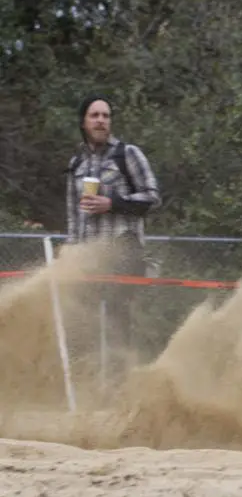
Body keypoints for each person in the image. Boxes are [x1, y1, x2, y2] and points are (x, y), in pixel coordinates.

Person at [65, 94, 161, 349]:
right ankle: (91, 379)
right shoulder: (77, 164)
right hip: (87, 258)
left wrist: (112, 202)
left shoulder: (128, 154)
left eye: (106, 116)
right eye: (94, 115)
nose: (101, 121)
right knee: (84, 324)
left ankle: (121, 380)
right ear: (83, 122)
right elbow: (73, 218)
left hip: (123, 253)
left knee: (117, 321)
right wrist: (69, 254)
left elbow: (153, 198)